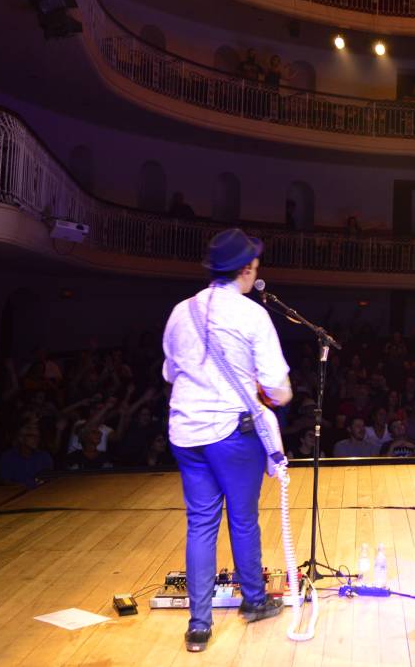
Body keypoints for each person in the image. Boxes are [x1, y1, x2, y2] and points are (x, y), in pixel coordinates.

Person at [162, 228, 293, 652]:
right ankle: (254, 601)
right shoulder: (251, 315)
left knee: (200, 523)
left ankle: (199, 626)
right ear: (247, 269)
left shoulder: (180, 312)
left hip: (187, 431)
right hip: (232, 433)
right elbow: (279, 390)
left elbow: (170, 373)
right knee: (242, 518)